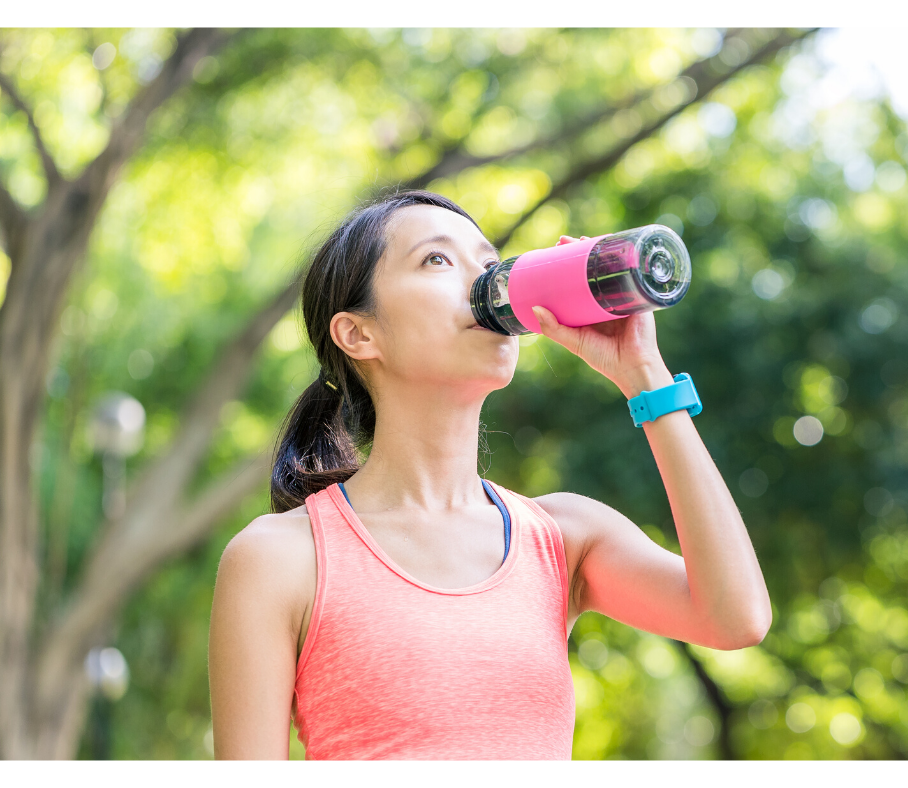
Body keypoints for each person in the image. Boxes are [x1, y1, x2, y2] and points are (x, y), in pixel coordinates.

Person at [208, 189, 772, 760]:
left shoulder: (562, 535)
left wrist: (647, 376)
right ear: (359, 334)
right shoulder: (279, 559)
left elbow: (736, 618)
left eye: (487, 261)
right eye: (436, 259)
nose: (484, 282)